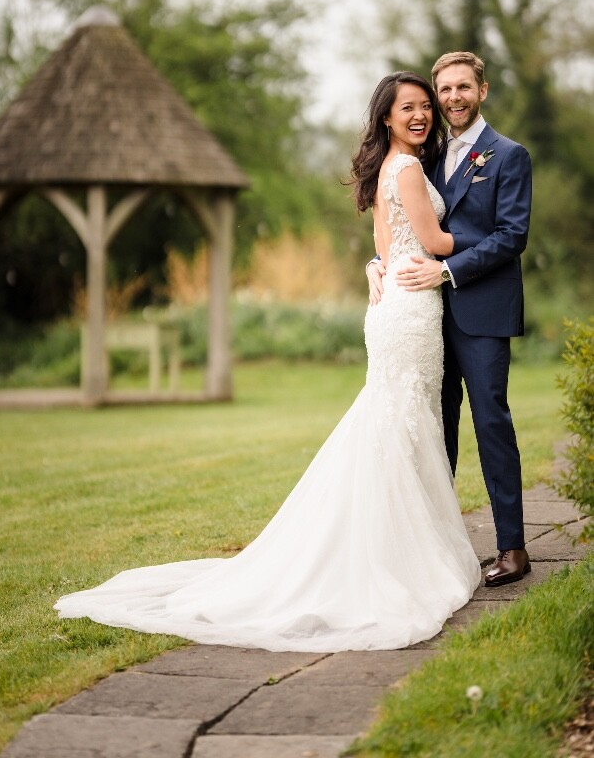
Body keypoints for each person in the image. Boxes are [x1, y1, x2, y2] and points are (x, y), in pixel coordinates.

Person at [55, 71, 481, 651]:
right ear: (386, 116)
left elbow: (388, 244)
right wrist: (489, 236)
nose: (421, 115)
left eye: (425, 106)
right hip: (409, 310)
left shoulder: (392, 167)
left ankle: (391, 549)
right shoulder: (406, 168)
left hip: (397, 306)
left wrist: (376, 264)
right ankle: (393, 560)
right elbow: (433, 243)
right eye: (408, 107)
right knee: (402, 422)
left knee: (398, 424)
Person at [367, 52, 532, 587]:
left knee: (491, 424)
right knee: (435, 429)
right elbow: (400, 219)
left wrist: (448, 270)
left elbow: (512, 236)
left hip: (482, 311)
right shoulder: (425, 154)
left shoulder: (509, 155)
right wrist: (376, 263)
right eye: (444, 90)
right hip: (425, 316)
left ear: (482, 90)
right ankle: (436, 546)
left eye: (463, 87)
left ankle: (512, 548)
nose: (452, 98)